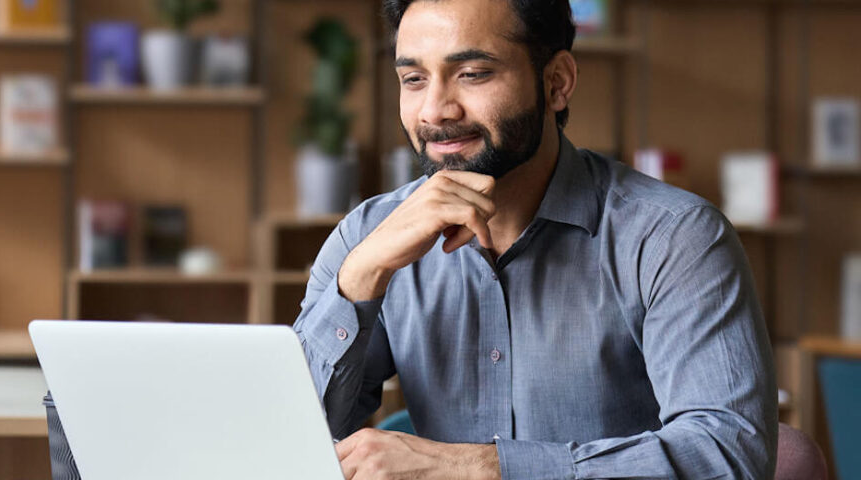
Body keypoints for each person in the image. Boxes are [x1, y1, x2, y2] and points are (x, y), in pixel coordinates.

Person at [292, 0, 777, 478]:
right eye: (413, 79)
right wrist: (361, 276)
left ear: (556, 82)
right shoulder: (367, 236)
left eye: (473, 73)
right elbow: (286, 440)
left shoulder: (674, 237)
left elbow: (727, 455)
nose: (435, 111)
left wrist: (483, 468)